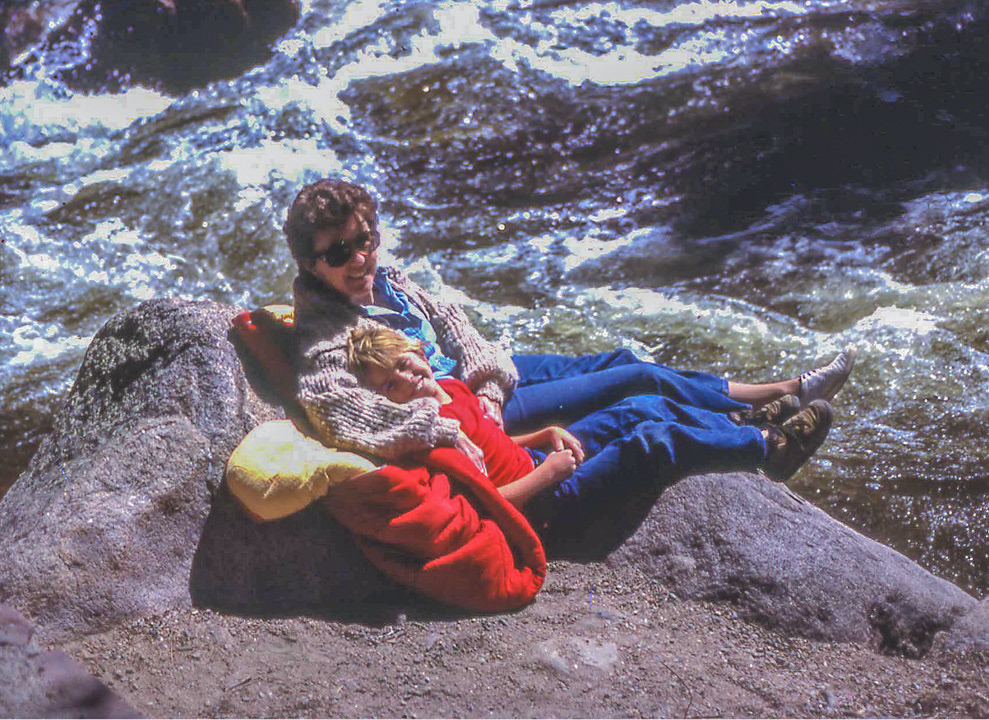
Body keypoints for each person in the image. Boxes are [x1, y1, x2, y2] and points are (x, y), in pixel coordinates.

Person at [285, 178, 854, 469]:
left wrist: (485, 376)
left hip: (482, 384)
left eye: (365, 241)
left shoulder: (385, 280)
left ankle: (745, 406)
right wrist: (455, 420)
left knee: (621, 362)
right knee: (636, 385)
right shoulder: (325, 339)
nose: (360, 259)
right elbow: (340, 411)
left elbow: (453, 326)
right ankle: (776, 408)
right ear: (311, 266)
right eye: (339, 254)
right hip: (477, 412)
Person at [346, 325, 833, 523]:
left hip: (536, 457)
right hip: (542, 499)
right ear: (382, 400)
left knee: (640, 406)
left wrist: (539, 438)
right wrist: (548, 473)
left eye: (409, 363)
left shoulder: (451, 392)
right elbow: (479, 507)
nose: (411, 378)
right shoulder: (426, 434)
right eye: (392, 384)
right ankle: (768, 448)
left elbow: (493, 440)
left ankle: (739, 422)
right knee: (651, 442)